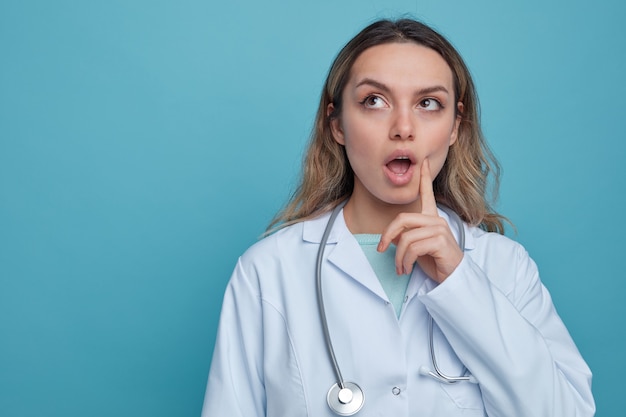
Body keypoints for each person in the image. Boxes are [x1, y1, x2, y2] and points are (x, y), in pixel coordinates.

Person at [201, 18, 595, 416]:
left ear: (455, 126)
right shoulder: (267, 272)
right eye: (374, 100)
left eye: (428, 104)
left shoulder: (505, 267)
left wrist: (460, 280)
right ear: (336, 123)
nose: (403, 128)